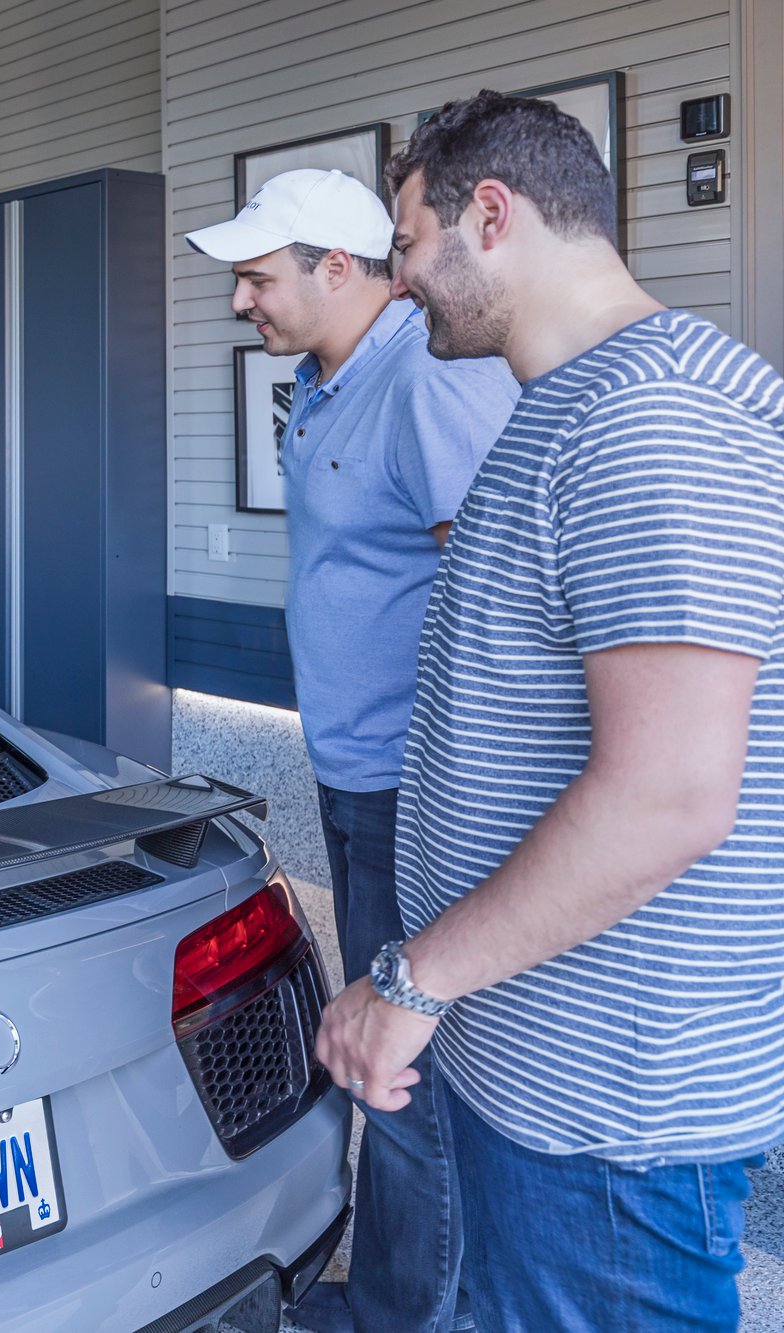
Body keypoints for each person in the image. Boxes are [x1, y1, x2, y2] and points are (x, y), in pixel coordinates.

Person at [316, 89, 784, 1331]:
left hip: (611, 1119)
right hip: (536, 1075)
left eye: (407, 248)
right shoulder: (567, 408)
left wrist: (409, 982)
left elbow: (667, 793)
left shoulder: (652, 418)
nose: (398, 285)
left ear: (490, 212)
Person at [187, 168, 518, 1333]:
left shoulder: (428, 382)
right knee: (387, 1062)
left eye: (255, 278)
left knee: (401, 1070)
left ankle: (409, 1316)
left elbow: (492, 611)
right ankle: (396, 1290)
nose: (239, 301)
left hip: (409, 792)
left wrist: (447, 785)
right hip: (352, 775)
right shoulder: (326, 386)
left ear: (339, 267)